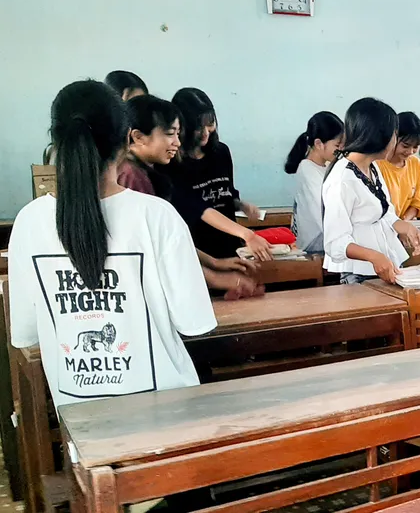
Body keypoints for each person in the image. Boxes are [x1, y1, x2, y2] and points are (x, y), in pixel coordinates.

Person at [7, 80, 216, 411]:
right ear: (125, 140)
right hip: (167, 413)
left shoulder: (29, 222)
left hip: (80, 417)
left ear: (57, 142)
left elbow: (26, 333)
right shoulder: (156, 216)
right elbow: (194, 322)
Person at [120, 95, 259, 296]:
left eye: (178, 134)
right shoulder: (132, 177)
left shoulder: (148, 173)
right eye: (170, 134)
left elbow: (172, 239)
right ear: (138, 137)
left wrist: (214, 263)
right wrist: (217, 278)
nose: (177, 142)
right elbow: (159, 249)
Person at [322, 98, 420, 284]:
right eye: (394, 135)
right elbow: (335, 243)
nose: (394, 141)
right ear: (379, 136)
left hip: (385, 264)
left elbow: (384, 213)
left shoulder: (372, 167)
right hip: (358, 273)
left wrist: (405, 227)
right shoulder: (342, 179)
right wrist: (373, 256)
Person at [168, 88, 271, 261]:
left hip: (230, 245)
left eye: (210, 123)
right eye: (198, 127)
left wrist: (240, 205)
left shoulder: (221, 152)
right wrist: (247, 234)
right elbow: (198, 209)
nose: (206, 132)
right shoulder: (172, 163)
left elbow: (226, 192)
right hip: (198, 252)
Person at [284, 111, 345, 253]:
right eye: (337, 145)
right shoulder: (307, 169)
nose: (341, 150)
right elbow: (324, 213)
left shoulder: (326, 166)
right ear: (318, 144)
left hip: (326, 242)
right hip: (314, 247)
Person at [376, 112, 420, 221]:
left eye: (415, 147)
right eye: (405, 146)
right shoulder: (377, 164)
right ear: (393, 138)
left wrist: (404, 222)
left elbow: (418, 203)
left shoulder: (415, 165)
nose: (410, 151)